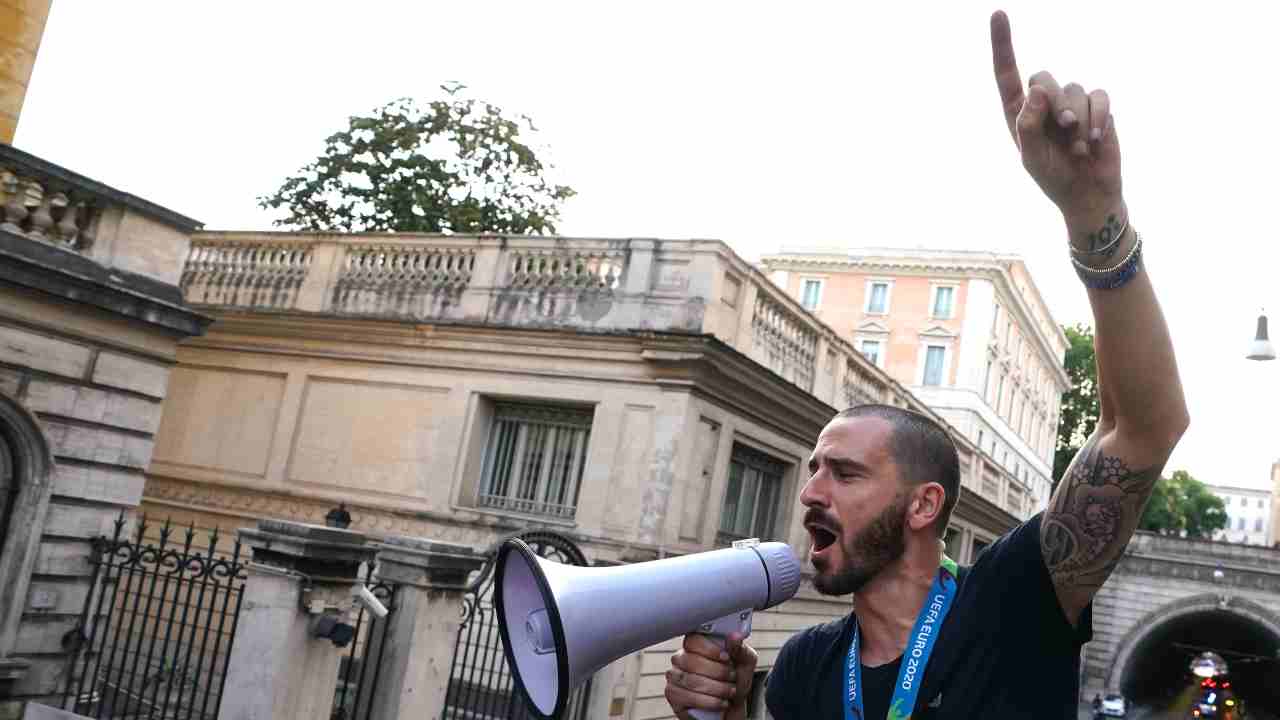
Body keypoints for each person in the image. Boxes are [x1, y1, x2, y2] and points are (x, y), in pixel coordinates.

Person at [663, 9, 1188, 720]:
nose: (811, 491)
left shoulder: (1013, 601)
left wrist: (1093, 213)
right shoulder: (801, 670)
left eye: (844, 472)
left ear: (923, 504)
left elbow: (1146, 429)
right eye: (814, 468)